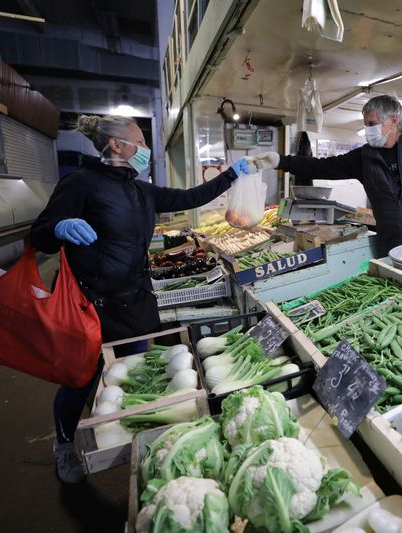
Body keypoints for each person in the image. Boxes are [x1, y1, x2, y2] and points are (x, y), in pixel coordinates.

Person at [30, 114, 251, 484]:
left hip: (136, 302)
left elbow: (190, 196)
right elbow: (38, 235)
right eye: (141, 142)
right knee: (80, 379)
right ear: (116, 145)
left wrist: (231, 175)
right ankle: (66, 445)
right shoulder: (81, 184)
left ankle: (131, 439)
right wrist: (58, 226)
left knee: (136, 377)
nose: (146, 150)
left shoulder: (139, 190)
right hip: (91, 305)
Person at [254, 94, 402, 254]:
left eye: (371, 124)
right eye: (366, 125)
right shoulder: (363, 158)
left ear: (393, 121)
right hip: (391, 249)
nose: (368, 130)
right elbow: (322, 167)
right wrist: (281, 161)